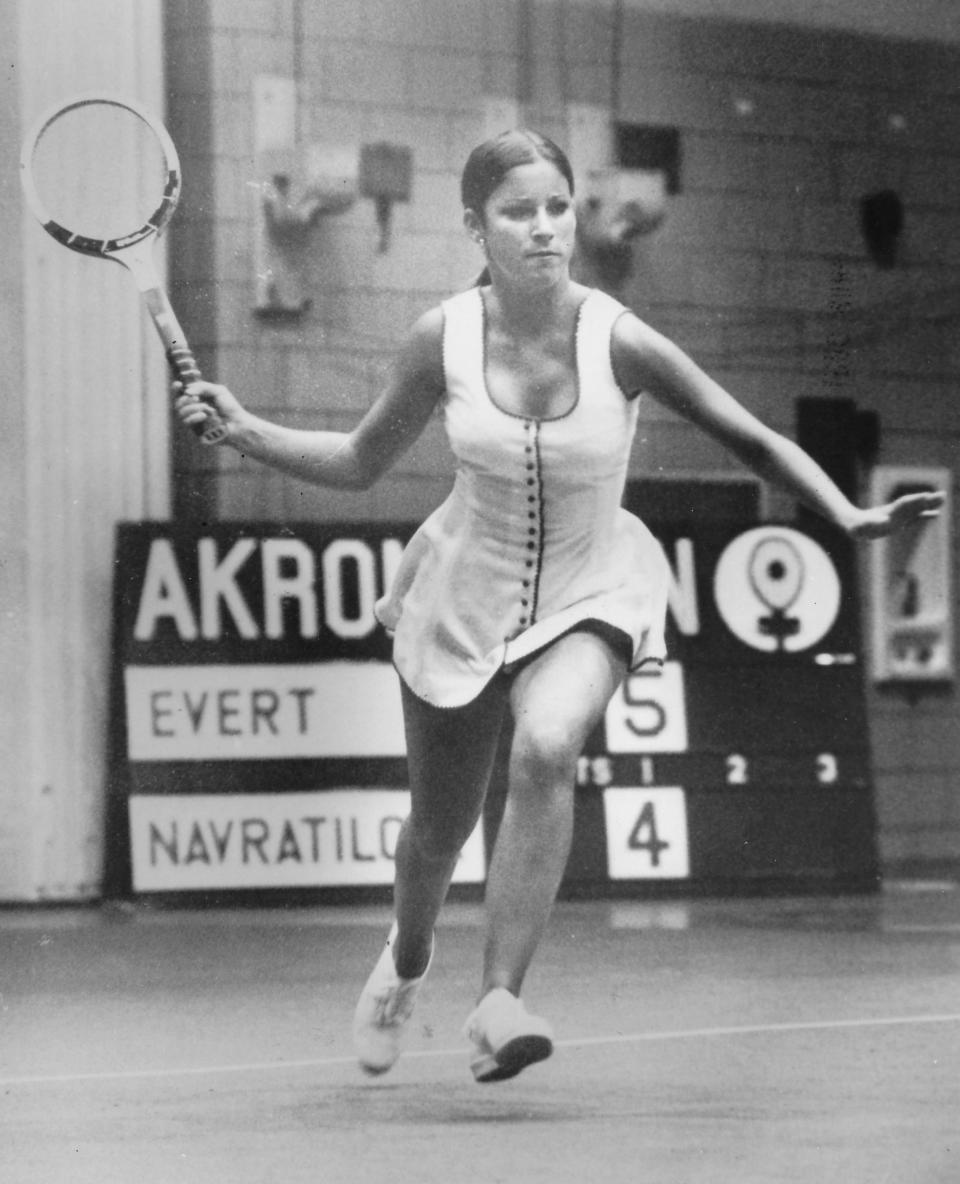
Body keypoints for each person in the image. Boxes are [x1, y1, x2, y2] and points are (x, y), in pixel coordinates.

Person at [176, 129, 943, 1084]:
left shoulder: (619, 338)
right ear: (475, 228)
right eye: (517, 212)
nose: (544, 229)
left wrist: (847, 512)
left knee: (546, 744)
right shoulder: (439, 337)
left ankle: (499, 999)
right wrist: (247, 430)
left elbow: (747, 436)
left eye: (557, 207)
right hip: (464, 590)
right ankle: (403, 968)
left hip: (595, 581)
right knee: (435, 835)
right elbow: (362, 462)